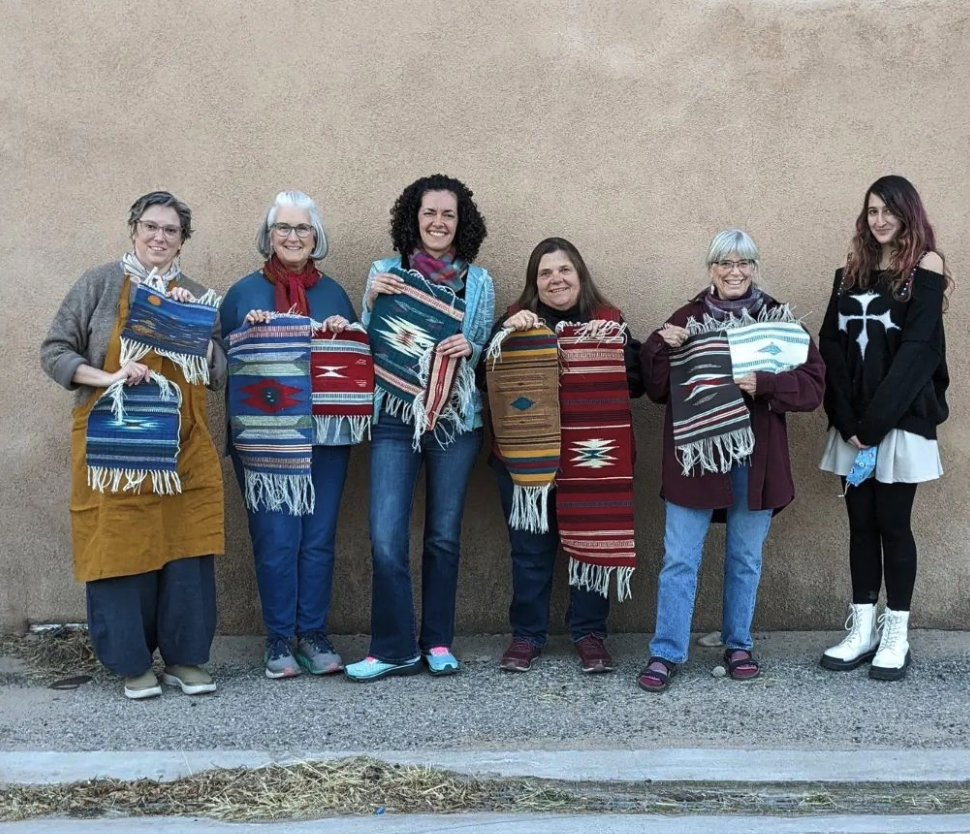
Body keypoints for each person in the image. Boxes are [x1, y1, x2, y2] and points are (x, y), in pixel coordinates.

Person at [40, 191, 225, 700]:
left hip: (181, 444)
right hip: (113, 445)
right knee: (120, 547)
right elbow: (54, 351)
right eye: (151, 226)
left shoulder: (197, 294)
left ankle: (185, 659)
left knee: (187, 547)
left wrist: (197, 332)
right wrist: (110, 375)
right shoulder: (99, 284)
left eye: (171, 230)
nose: (159, 237)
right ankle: (132, 663)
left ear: (183, 240)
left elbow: (218, 372)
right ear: (134, 228)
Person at [638, 229, 824, 692]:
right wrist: (662, 343)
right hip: (695, 460)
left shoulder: (778, 321)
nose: (734, 272)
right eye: (725, 263)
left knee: (745, 557)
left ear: (755, 267)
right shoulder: (687, 318)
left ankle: (738, 643)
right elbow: (657, 388)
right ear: (711, 269)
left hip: (756, 462)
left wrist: (767, 384)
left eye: (744, 263)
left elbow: (814, 386)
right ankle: (666, 652)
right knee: (680, 557)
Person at [345, 174, 495, 682]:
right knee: (386, 535)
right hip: (393, 414)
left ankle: (436, 641)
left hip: (455, 420)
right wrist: (369, 301)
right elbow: (368, 345)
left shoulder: (479, 282)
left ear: (461, 223)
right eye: (429, 213)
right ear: (414, 218)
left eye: (447, 214)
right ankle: (392, 647)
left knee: (443, 538)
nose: (437, 222)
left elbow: (481, 349)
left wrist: (470, 349)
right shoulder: (384, 271)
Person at [479, 237, 644, 674]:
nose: (556, 279)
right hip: (527, 459)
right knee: (529, 550)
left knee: (591, 545)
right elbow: (484, 378)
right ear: (535, 282)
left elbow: (639, 378)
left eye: (564, 270)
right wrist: (510, 335)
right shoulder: (515, 321)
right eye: (546, 273)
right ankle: (527, 635)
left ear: (580, 274)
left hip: (592, 458)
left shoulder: (609, 320)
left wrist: (608, 345)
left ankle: (590, 634)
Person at [220, 191, 358, 680]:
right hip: (264, 439)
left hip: (325, 436)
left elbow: (357, 364)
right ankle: (279, 639)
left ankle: (314, 634)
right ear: (269, 235)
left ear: (316, 237)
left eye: (302, 229)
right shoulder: (242, 294)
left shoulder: (336, 294)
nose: (293, 237)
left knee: (318, 539)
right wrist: (252, 331)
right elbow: (222, 365)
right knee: (276, 538)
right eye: (284, 229)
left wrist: (344, 330)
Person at [818, 175, 951, 681]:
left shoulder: (925, 268)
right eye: (872, 211)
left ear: (907, 213)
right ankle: (864, 629)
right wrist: (848, 420)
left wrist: (873, 425)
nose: (879, 220)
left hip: (898, 425)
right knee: (860, 526)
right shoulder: (849, 273)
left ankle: (897, 633)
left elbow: (919, 353)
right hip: (853, 427)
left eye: (889, 210)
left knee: (894, 527)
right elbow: (830, 345)